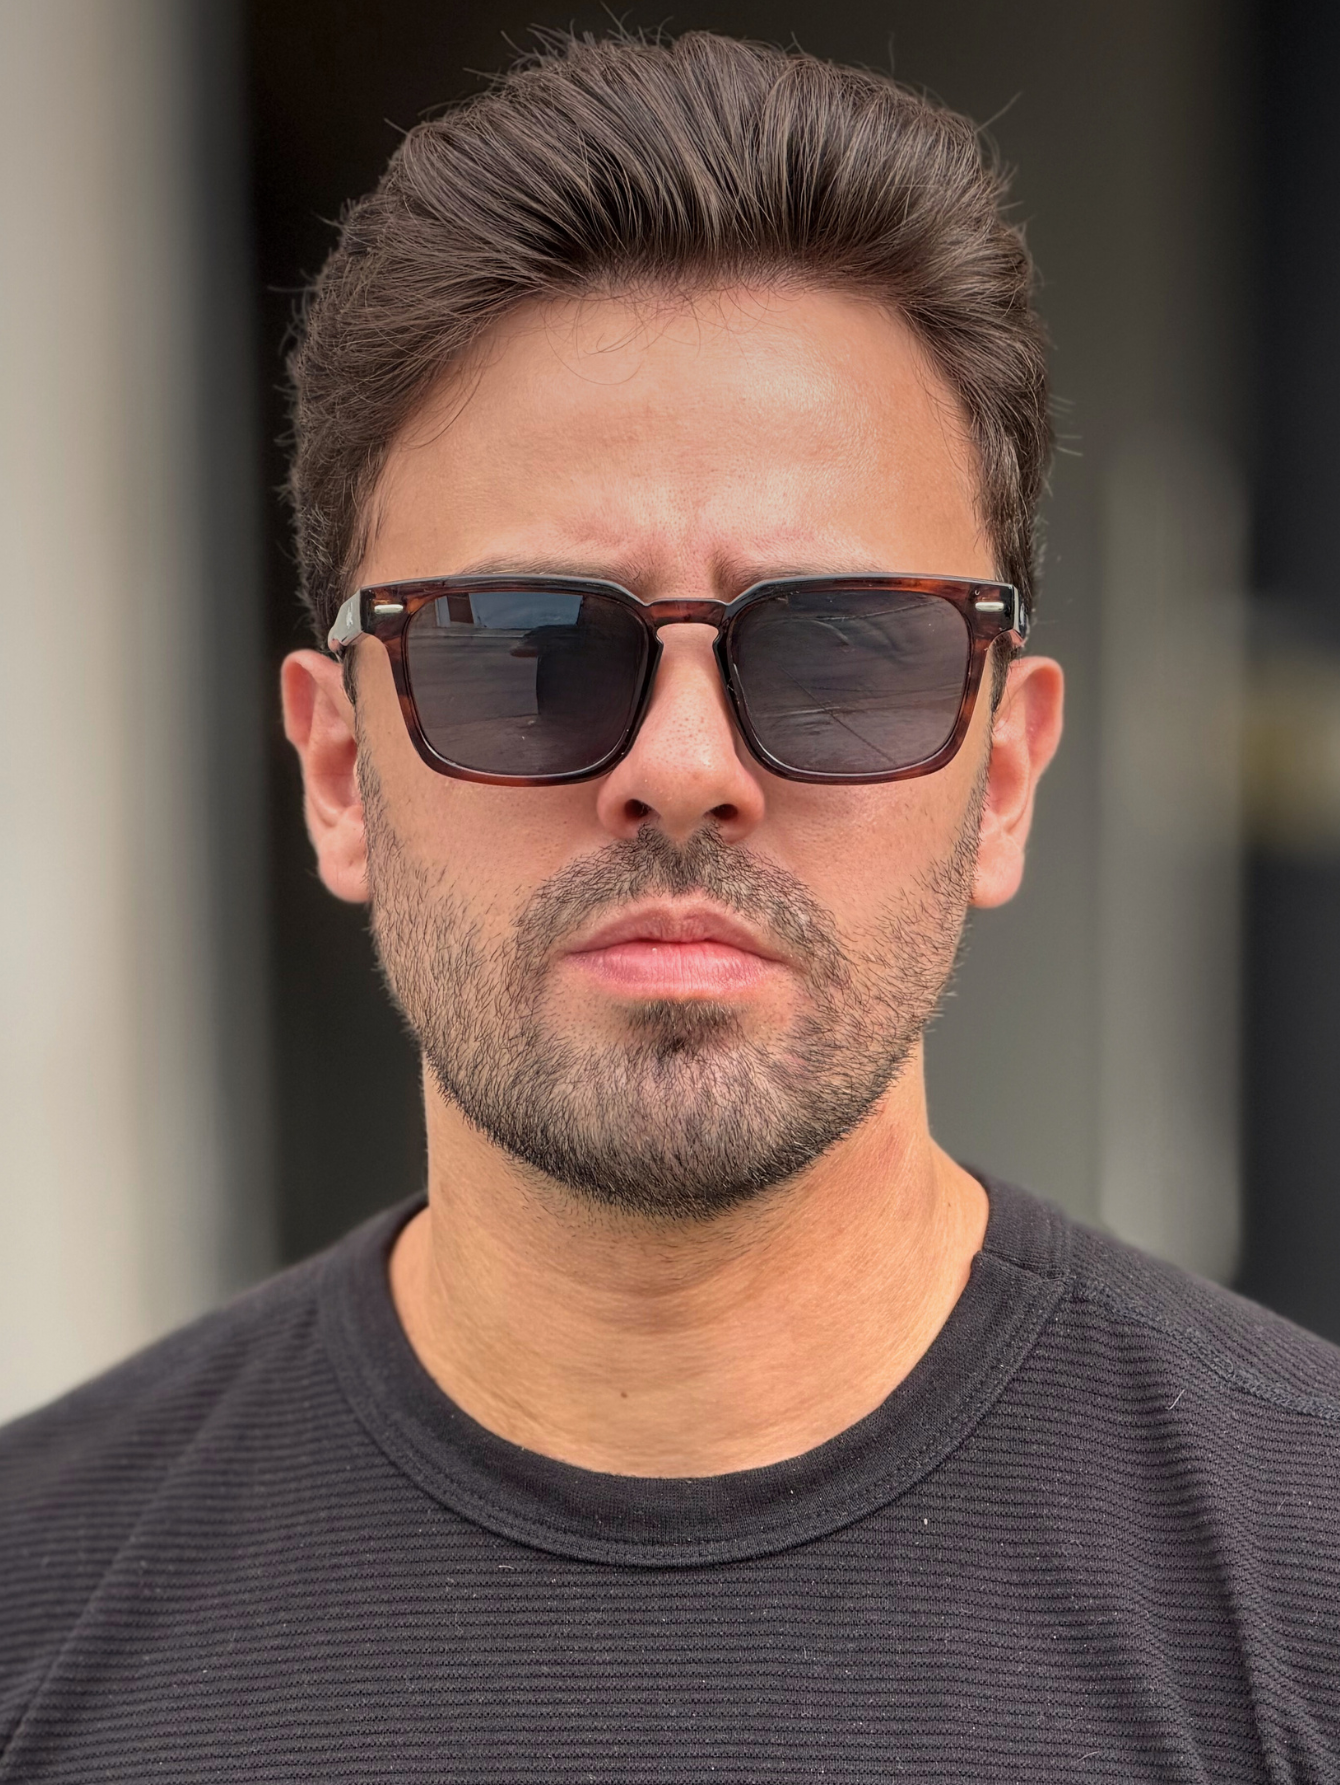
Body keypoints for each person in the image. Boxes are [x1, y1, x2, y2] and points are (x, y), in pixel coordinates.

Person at [2, 30, 1337, 1783]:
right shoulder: (38, 1610)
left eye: (843, 652)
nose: (686, 767)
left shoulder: (1307, 1589)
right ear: (338, 770)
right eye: (526, 651)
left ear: (1005, 773)